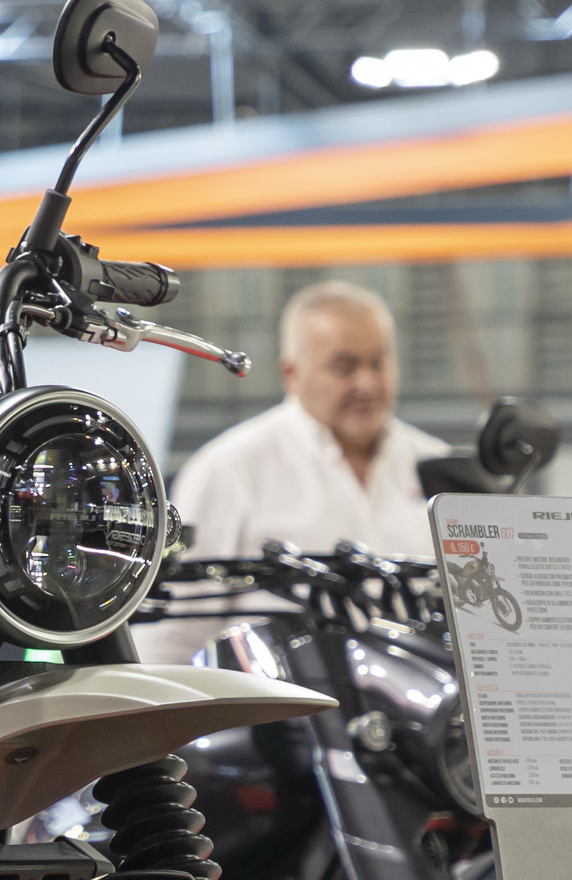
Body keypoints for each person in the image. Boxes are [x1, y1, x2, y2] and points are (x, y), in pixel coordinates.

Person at [136, 280, 451, 664]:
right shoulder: (229, 470)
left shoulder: (440, 468)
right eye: (344, 367)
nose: (367, 383)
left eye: (378, 362)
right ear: (292, 373)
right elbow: (168, 636)